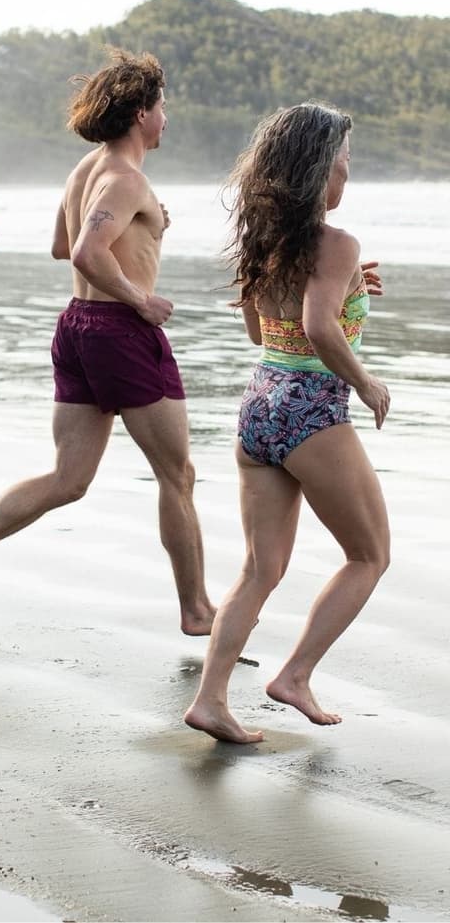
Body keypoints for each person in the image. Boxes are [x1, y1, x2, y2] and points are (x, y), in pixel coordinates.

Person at [0, 51, 217, 634]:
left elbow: (64, 245)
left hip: (77, 326)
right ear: (140, 113)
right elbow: (84, 252)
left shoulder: (87, 170)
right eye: (163, 107)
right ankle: (198, 611)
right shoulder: (127, 178)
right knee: (177, 475)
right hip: (120, 332)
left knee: (68, 478)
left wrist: (142, 227)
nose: (167, 118)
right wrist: (141, 298)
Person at [184, 103, 389, 743]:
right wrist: (367, 382)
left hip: (259, 408)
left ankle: (211, 700)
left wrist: (349, 284)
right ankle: (294, 675)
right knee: (369, 554)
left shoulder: (262, 241)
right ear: (315, 172)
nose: (347, 179)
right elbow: (318, 328)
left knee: (258, 568)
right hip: (311, 410)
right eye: (342, 165)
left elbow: (259, 331)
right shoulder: (337, 242)